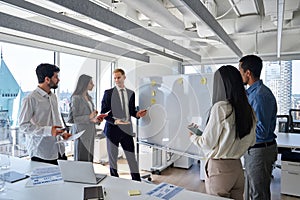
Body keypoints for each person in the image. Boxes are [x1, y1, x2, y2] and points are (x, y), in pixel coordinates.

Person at [189, 65, 256, 200]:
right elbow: (251, 141)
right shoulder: (248, 110)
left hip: (220, 169)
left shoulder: (221, 108)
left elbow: (207, 142)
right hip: (237, 168)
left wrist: (193, 136)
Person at [239, 55, 278, 200]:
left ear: (248, 73)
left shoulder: (260, 96)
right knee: (251, 191)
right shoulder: (252, 94)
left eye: (240, 71)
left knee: (258, 195)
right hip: (254, 150)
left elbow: (261, 131)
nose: (239, 75)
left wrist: (240, 130)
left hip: (260, 150)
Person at [18, 63, 71, 165]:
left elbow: (56, 120)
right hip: (41, 152)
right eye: (56, 77)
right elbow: (23, 126)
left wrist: (62, 133)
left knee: (63, 180)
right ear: (47, 79)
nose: (58, 80)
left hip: (59, 150)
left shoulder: (53, 97)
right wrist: (48, 130)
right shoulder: (30, 99)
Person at [101, 68, 147, 181]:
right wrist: (115, 121)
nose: (117, 80)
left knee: (131, 158)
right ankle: (115, 181)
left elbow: (131, 111)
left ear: (124, 77)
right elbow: (103, 113)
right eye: (115, 78)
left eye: (119, 77)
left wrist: (137, 114)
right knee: (113, 160)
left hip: (126, 129)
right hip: (113, 130)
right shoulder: (108, 93)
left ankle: (137, 181)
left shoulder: (131, 93)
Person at [70, 74, 103, 162]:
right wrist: (89, 117)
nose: (93, 85)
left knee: (89, 159)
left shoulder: (89, 98)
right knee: (82, 159)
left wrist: (96, 120)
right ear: (84, 84)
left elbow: (90, 118)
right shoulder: (76, 98)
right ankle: (80, 176)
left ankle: (88, 175)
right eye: (91, 83)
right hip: (81, 133)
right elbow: (73, 119)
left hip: (91, 132)